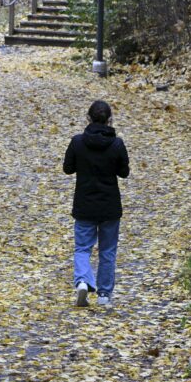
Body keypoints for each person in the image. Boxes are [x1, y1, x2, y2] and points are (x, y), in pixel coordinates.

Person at [63, 100, 130, 307]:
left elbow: (68, 168)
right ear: (110, 120)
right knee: (107, 251)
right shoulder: (117, 144)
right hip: (109, 206)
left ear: (88, 118)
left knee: (82, 248)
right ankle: (104, 295)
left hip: (84, 205)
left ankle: (83, 281)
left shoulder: (77, 142)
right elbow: (124, 172)